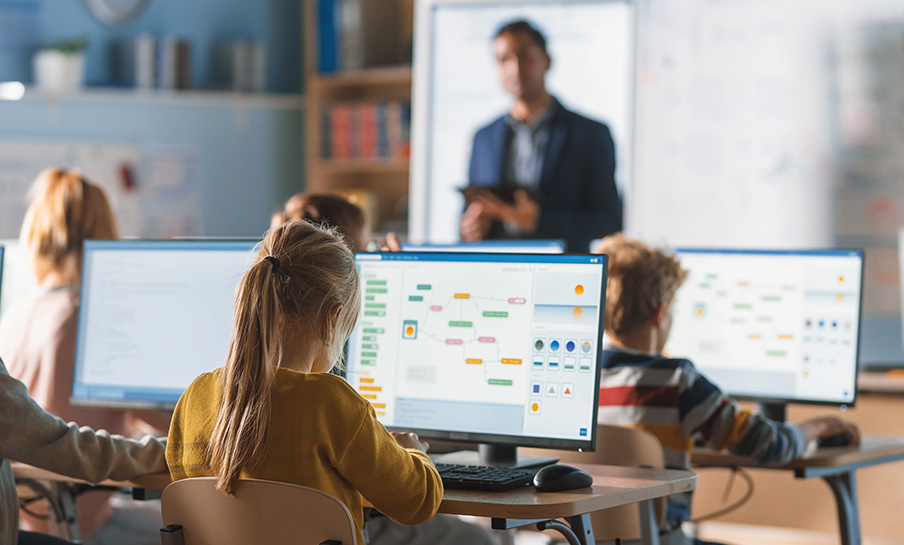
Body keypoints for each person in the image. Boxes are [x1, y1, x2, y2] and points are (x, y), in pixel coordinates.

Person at [166, 220, 445, 545]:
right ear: (332, 319)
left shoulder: (194, 398)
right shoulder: (330, 402)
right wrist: (415, 452)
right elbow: (417, 502)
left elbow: (193, 497)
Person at [593, 234, 861, 545]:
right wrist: (821, 425)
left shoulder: (582, 380)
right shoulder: (679, 381)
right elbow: (768, 444)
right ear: (660, 314)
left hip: (581, 538)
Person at [0, 168, 166, 545]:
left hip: (26, 519)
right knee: (202, 527)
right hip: (85, 521)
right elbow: (164, 420)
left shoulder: (16, 313)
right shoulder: (92, 317)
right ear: (106, 232)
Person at [462, 19, 622, 252]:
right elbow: (467, 215)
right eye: (503, 59)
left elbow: (608, 223)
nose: (514, 68)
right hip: (497, 274)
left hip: (563, 276)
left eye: (524, 56)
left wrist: (539, 221)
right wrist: (469, 228)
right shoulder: (483, 138)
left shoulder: (590, 134)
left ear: (546, 61)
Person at [0, 356, 166, 545]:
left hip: (20, 525)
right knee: (188, 528)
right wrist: (173, 452)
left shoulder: (16, 332)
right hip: (90, 523)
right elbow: (65, 445)